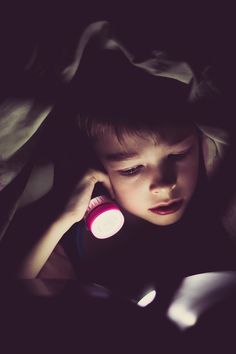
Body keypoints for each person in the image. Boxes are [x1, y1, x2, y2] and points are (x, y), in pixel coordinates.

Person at [16, 56, 236, 304]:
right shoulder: (65, 238)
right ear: (98, 169)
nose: (164, 184)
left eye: (178, 155)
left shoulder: (216, 209)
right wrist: (62, 220)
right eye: (132, 169)